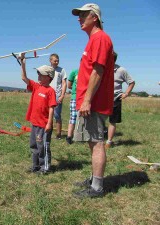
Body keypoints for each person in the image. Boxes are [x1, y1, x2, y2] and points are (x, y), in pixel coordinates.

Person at [71, 3, 114, 198]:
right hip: (88, 101)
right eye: (78, 15)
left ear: (94, 17)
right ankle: (93, 179)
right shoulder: (93, 40)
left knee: (96, 142)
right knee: (92, 141)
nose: (79, 18)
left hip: (93, 102)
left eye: (83, 15)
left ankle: (97, 188)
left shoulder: (100, 38)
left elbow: (98, 71)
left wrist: (87, 100)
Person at [20, 53, 57, 174]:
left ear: (48, 77)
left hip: (44, 125)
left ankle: (44, 167)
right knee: (34, 145)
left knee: (43, 147)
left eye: (41, 74)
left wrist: (49, 123)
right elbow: (24, 78)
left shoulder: (50, 91)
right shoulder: (36, 87)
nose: (38, 76)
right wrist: (23, 64)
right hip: (35, 123)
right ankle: (35, 166)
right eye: (38, 73)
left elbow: (52, 108)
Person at [105, 52, 135, 149]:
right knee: (99, 119)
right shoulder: (103, 68)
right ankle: (99, 139)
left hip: (116, 98)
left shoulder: (121, 70)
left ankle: (109, 142)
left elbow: (131, 82)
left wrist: (126, 93)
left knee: (112, 121)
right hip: (103, 98)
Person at [49, 54, 67, 139]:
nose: (56, 62)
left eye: (57, 60)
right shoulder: (47, 69)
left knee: (57, 115)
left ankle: (58, 135)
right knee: (48, 115)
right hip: (48, 95)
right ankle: (48, 132)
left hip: (57, 95)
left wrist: (62, 95)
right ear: (50, 61)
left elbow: (64, 83)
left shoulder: (62, 70)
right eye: (55, 60)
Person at [66, 69, 78, 144]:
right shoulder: (74, 72)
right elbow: (69, 85)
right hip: (75, 98)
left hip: (86, 98)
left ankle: (81, 136)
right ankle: (69, 137)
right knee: (73, 117)